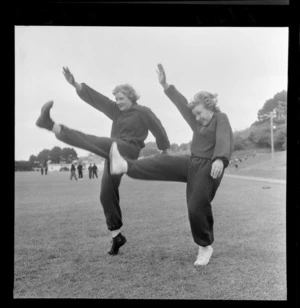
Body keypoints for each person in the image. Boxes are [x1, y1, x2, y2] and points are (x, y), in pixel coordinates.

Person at [35, 67, 170, 255]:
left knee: (99, 141)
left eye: (121, 98)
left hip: (128, 149)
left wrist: (165, 150)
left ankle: (51, 125)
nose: (118, 102)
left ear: (132, 97)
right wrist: (75, 84)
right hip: (112, 155)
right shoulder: (116, 111)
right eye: (116, 99)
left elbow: (159, 130)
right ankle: (116, 236)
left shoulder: (143, 112)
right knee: (106, 193)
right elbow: (97, 100)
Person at [109, 64, 233, 266]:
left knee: (195, 208)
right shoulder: (197, 122)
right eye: (195, 115)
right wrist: (166, 85)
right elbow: (183, 105)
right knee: (164, 160)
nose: (197, 117)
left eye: (200, 113)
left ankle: (205, 246)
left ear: (210, 106)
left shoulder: (220, 118)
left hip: (210, 167)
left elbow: (224, 137)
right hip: (192, 162)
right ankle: (125, 166)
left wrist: (220, 158)